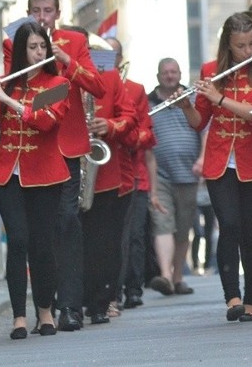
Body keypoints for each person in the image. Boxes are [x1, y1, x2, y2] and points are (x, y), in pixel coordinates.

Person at [4, 0, 106, 331]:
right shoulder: (16, 42)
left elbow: (98, 87)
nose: (42, 18)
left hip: (67, 145)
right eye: (36, 11)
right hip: (31, 147)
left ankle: (71, 307)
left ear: (58, 14)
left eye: (48, 11)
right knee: (36, 234)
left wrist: (66, 61)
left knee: (67, 224)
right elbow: (10, 85)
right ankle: (43, 305)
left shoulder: (74, 43)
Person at [0, 21, 70, 338]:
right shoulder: (4, 83)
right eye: (32, 47)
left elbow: (45, 123)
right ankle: (19, 317)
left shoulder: (58, 84)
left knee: (42, 245)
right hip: (8, 173)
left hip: (46, 176)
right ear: (21, 51)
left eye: (42, 47)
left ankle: (46, 312)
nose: (38, 53)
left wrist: (6, 100)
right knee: (18, 240)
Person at [177, 12, 252, 322]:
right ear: (227, 46)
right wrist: (185, 105)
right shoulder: (211, 71)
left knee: (251, 232)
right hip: (221, 162)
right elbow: (199, 123)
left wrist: (219, 98)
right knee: (229, 225)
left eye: (251, 44)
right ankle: (232, 295)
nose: (247, 52)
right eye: (240, 46)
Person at [74, 30, 137, 325]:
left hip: (104, 173)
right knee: (74, 242)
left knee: (105, 243)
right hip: (67, 171)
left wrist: (109, 126)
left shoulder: (109, 76)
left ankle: (101, 301)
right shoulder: (56, 79)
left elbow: (130, 117)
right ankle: (75, 301)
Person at [110, 38, 164, 310]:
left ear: (120, 58)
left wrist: (123, 134)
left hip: (135, 173)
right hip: (106, 172)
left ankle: (133, 288)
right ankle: (112, 290)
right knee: (112, 235)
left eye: (113, 55)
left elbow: (147, 133)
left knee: (134, 235)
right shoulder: (93, 90)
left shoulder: (135, 89)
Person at [147, 58, 202, 297]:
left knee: (183, 229)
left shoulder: (193, 99)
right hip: (159, 175)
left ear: (180, 74)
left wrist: (202, 159)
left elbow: (204, 127)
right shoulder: (148, 103)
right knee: (163, 225)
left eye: (174, 72)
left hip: (189, 174)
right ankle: (166, 277)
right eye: (165, 72)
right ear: (158, 76)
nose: (170, 76)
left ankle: (178, 277)